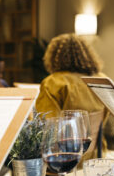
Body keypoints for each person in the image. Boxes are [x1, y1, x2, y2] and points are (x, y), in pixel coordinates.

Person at [36, 33, 107, 166]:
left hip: (64, 157)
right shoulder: (101, 80)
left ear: (54, 57)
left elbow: (49, 127)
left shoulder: (53, 83)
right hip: (95, 154)